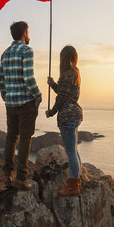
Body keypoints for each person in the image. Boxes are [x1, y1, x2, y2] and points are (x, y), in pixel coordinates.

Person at [0, 21, 42, 190]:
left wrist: (6, 96)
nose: (29, 35)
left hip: (11, 103)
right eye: (28, 32)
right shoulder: (26, 51)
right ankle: (21, 179)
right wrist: (38, 95)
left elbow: (0, 80)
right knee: (25, 138)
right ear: (24, 33)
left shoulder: (5, 53)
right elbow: (29, 78)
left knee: (11, 137)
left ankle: (7, 176)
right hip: (26, 103)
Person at [46, 45, 84, 196]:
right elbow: (64, 91)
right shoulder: (75, 72)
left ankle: (74, 186)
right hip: (75, 114)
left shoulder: (67, 73)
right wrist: (54, 84)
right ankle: (77, 180)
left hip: (67, 116)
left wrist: (52, 111)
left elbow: (61, 97)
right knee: (74, 150)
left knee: (70, 152)